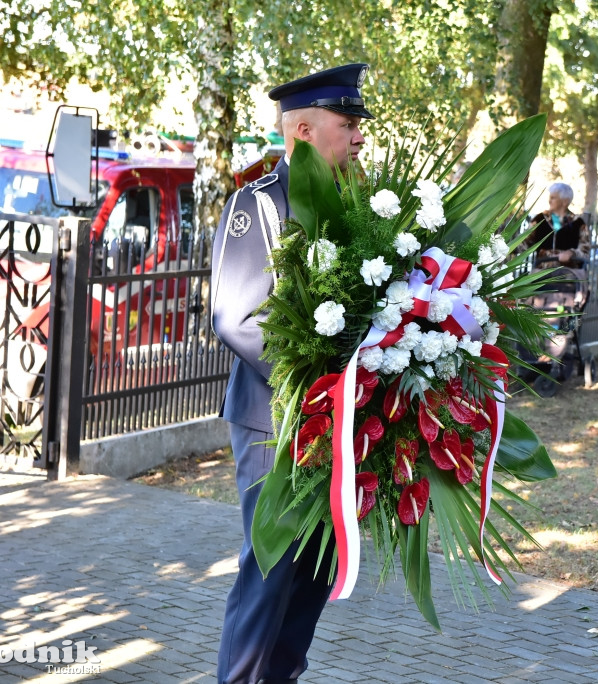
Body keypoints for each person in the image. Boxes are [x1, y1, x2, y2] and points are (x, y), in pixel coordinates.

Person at [210, 62, 373, 684]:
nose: (358, 134)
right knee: (270, 573)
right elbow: (238, 317)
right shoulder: (259, 204)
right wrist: (316, 386)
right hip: (275, 421)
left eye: (359, 123)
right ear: (302, 130)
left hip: (338, 423)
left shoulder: (357, 206)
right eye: (346, 121)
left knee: (313, 575)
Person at [525, 182, 591, 268]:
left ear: (565, 201)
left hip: (568, 275)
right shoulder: (539, 219)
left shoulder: (578, 223)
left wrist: (572, 253)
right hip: (541, 275)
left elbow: (585, 252)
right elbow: (524, 244)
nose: (549, 201)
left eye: (553, 198)